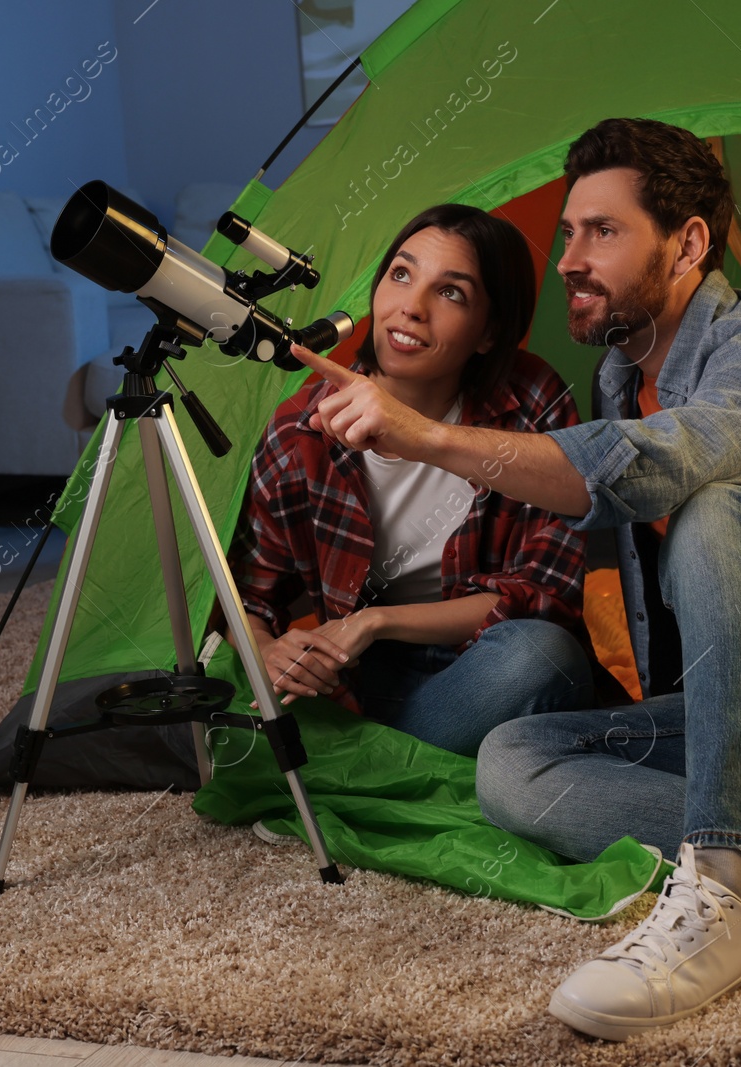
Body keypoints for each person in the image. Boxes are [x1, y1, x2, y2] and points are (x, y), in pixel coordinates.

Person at [290, 118, 741, 1039]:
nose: (568, 260)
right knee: (515, 765)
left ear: (690, 245)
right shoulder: (618, 375)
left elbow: (654, 463)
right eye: (565, 234)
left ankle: (730, 892)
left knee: (718, 504)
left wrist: (430, 438)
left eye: (603, 231)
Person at [228, 203, 594, 757]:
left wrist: (374, 621)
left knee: (540, 655)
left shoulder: (532, 403)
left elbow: (544, 597)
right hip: (359, 677)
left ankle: (372, 762)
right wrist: (267, 652)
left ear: (490, 333)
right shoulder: (302, 431)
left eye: (451, 293)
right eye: (401, 275)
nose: (411, 308)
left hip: (482, 662)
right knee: (221, 689)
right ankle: (410, 758)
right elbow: (247, 598)